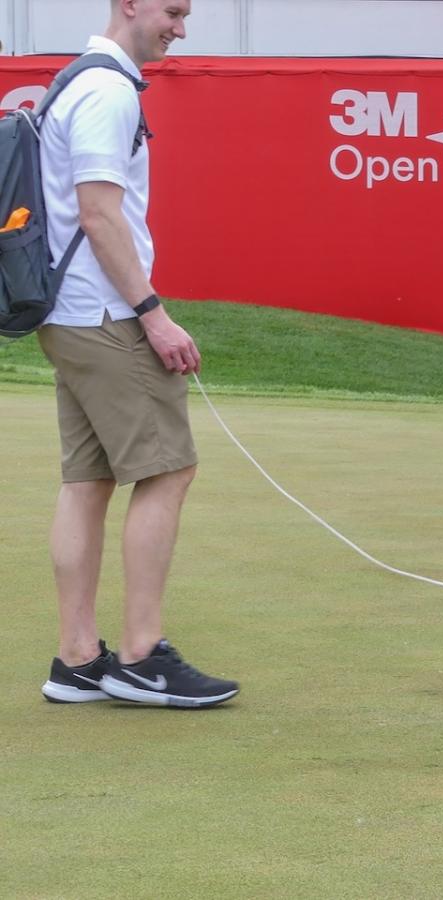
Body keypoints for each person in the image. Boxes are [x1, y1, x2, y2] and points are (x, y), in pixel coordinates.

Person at [36, 0, 238, 708]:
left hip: (73, 314)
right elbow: (98, 214)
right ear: (129, 3)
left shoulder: (80, 80)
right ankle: (141, 656)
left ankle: (78, 660)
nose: (181, 27)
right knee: (170, 469)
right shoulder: (107, 89)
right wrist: (154, 316)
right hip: (105, 312)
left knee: (88, 479)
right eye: (172, 11)